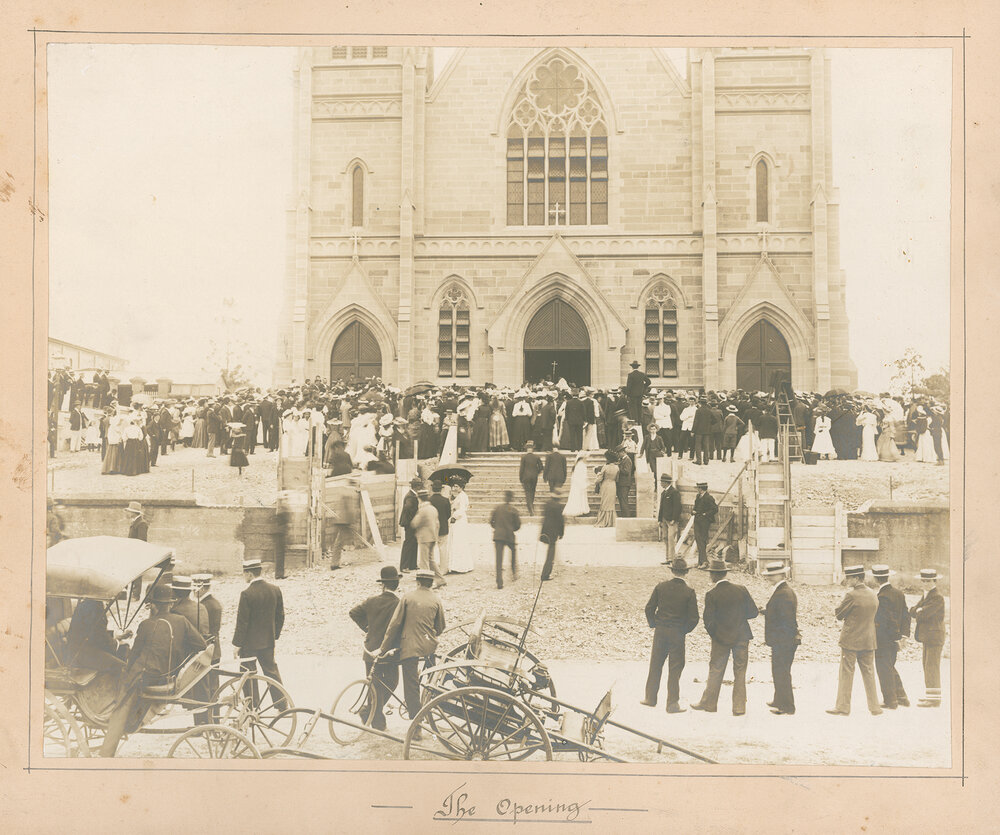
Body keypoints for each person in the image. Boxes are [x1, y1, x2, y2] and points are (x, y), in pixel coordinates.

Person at [99, 583, 207, 757]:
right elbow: (201, 644)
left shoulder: (146, 625)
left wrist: (126, 670)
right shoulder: (181, 621)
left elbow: (134, 655)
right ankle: (132, 720)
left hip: (145, 675)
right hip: (169, 674)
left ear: (154, 605)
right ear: (170, 604)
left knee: (121, 703)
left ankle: (106, 752)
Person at [377, 569, 446, 738]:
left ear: (418, 582)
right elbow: (441, 627)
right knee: (430, 682)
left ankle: (416, 728)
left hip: (410, 647)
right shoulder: (436, 599)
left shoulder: (408, 597)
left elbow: (395, 624)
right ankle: (429, 709)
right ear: (431, 583)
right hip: (429, 647)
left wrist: (384, 648)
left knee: (411, 686)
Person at [691, 559, 758, 716]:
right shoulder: (742, 589)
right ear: (725, 573)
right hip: (742, 637)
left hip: (721, 639)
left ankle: (709, 704)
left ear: (713, 576)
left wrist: (718, 635)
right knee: (740, 672)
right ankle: (739, 708)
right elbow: (753, 612)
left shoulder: (712, 594)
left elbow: (708, 621)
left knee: (716, 670)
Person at [642, 557, 699, 712]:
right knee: (675, 668)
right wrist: (683, 630)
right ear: (686, 573)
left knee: (655, 664)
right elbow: (694, 618)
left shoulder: (661, 587)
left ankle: (650, 698)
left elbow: (649, 608)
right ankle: (672, 704)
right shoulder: (689, 592)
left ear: (672, 571)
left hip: (661, 632)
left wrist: (655, 624)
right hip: (677, 634)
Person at [349, 566, 403, 731]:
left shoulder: (371, 601)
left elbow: (353, 612)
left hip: (370, 650)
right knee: (392, 682)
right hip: (389, 651)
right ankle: (376, 721)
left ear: (383, 585)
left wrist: (367, 628)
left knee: (374, 686)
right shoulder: (399, 604)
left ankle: (370, 713)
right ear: (397, 584)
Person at [827, 564, 883, 716]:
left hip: (851, 640)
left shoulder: (851, 595)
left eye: (849, 578)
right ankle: (875, 707)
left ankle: (843, 707)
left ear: (857, 578)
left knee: (846, 673)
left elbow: (839, 614)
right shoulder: (873, 594)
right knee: (869, 673)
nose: (847, 580)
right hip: (869, 639)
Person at [232, 558, 287, 710]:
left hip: (249, 644)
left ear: (249, 574)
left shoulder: (246, 594)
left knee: (248, 674)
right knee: (271, 672)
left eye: (244, 574)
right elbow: (280, 616)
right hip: (268, 641)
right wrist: (274, 634)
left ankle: (252, 707)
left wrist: (237, 644)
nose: (244, 577)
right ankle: (282, 705)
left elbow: (242, 622)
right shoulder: (275, 590)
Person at [170, 575, 213, 724]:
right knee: (203, 688)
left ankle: (200, 723)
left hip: (187, 655)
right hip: (204, 652)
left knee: (194, 689)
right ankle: (206, 722)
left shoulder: (176, 611)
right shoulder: (201, 606)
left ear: (175, 593)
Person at [761, 561, 799, 715]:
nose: (769, 578)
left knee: (781, 671)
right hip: (784, 639)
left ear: (782, 575)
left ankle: (787, 706)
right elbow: (781, 614)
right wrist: (767, 611)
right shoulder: (783, 591)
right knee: (778, 670)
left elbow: (787, 620)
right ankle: (779, 699)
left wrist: (782, 639)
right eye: (768, 575)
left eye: (772, 575)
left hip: (783, 640)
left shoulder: (783, 593)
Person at [872, 564, 911, 710]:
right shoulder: (899, 593)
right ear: (888, 576)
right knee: (890, 666)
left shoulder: (882, 597)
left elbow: (888, 620)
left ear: (876, 579)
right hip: (896, 638)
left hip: (884, 639)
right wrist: (903, 636)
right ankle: (901, 697)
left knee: (884, 669)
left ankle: (890, 701)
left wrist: (895, 636)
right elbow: (906, 616)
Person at [910, 567, 946, 707]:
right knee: (927, 665)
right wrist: (918, 610)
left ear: (934, 581)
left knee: (931, 666)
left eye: (928, 581)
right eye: (923, 580)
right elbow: (914, 611)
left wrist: (919, 610)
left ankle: (934, 699)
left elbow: (923, 614)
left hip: (934, 637)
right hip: (928, 636)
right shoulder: (927, 595)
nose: (925, 583)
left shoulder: (936, 596)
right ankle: (931, 696)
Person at [193, 573, 223, 722]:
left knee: (202, 687)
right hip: (215, 649)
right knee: (214, 687)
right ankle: (215, 720)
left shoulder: (202, 606)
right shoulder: (215, 604)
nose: (194, 592)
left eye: (195, 589)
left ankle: (202, 721)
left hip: (205, 650)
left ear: (202, 588)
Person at [413, 491, 446, 588]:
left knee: (424, 562)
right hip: (432, 537)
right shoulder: (433, 509)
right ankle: (440, 580)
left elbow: (415, 523)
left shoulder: (422, 510)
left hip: (424, 538)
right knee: (431, 560)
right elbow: (437, 524)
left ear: (419, 499)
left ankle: (425, 584)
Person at [490, 490, 521, 589]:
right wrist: (511, 529)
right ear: (511, 499)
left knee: (499, 559)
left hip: (498, 535)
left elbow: (491, 521)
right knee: (513, 552)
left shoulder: (497, 508)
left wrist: (497, 528)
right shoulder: (513, 510)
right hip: (509, 535)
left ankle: (499, 582)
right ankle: (514, 572)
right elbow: (518, 525)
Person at [327, 478, 359, 570]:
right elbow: (350, 509)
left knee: (339, 542)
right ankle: (334, 564)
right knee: (339, 542)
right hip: (346, 521)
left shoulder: (344, 492)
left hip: (342, 520)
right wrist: (352, 521)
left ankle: (334, 563)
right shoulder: (350, 494)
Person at [447, 481, 474, 574]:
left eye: (457, 486)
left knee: (459, 541)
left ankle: (461, 566)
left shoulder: (463, 496)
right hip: (457, 520)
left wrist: (454, 516)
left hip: (460, 520)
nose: (454, 488)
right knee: (455, 541)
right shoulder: (458, 495)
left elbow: (462, 509)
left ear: (461, 487)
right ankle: (455, 565)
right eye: (453, 486)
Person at [539, 488, 565, 582]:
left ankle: (546, 573)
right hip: (553, 533)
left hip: (545, 531)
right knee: (550, 554)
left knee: (550, 553)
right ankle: (545, 574)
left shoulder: (547, 504)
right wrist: (561, 533)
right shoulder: (558, 506)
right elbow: (561, 521)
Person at [398, 477, 422, 573]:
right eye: (419, 486)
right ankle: (404, 566)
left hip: (411, 522)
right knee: (408, 543)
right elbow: (408, 508)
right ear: (417, 487)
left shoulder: (412, 495)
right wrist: (416, 514)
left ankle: (412, 564)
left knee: (414, 542)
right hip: (410, 523)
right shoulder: (411, 496)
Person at [657, 473, 682, 564]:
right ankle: (668, 558)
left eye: (661, 482)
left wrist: (674, 519)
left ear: (665, 482)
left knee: (671, 538)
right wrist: (660, 520)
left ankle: (672, 559)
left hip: (671, 520)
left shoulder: (674, 492)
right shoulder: (664, 493)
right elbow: (661, 507)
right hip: (664, 519)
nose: (660, 484)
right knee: (665, 538)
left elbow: (677, 507)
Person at [692, 482, 717, 568]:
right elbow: (695, 507)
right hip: (697, 521)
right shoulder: (698, 497)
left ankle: (704, 562)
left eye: (698, 488)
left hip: (704, 522)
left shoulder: (709, 498)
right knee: (698, 540)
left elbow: (715, 509)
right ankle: (701, 562)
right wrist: (693, 511)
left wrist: (705, 514)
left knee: (702, 541)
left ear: (701, 489)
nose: (697, 490)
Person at [429, 482, 452, 575]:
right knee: (442, 548)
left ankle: (432, 569)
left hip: (431, 527)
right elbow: (448, 515)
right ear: (441, 489)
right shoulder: (445, 500)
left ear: (432, 489)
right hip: (443, 527)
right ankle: (443, 569)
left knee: (431, 549)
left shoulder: (428, 500)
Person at [562, 450, 591, 518]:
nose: (586, 459)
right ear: (582, 458)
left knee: (578, 497)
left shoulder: (578, 465)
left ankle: (582, 509)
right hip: (579, 483)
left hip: (577, 483)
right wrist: (585, 483)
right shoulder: (581, 465)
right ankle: (579, 510)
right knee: (578, 496)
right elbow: (582, 476)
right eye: (585, 457)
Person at [519, 440, 543, 516]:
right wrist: (536, 473)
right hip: (534, 477)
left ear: (527, 449)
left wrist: (521, 479)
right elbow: (541, 467)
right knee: (532, 492)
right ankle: (531, 506)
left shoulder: (524, 457)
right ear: (532, 449)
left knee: (527, 493)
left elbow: (521, 469)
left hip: (526, 477)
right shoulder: (536, 457)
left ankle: (531, 509)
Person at [596, 451, 619, 528]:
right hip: (613, 485)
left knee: (604, 502)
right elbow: (617, 479)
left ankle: (603, 521)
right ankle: (611, 521)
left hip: (605, 485)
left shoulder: (605, 467)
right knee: (611, 503)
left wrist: (596, 480)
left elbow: (600, 479)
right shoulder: (617, 467)